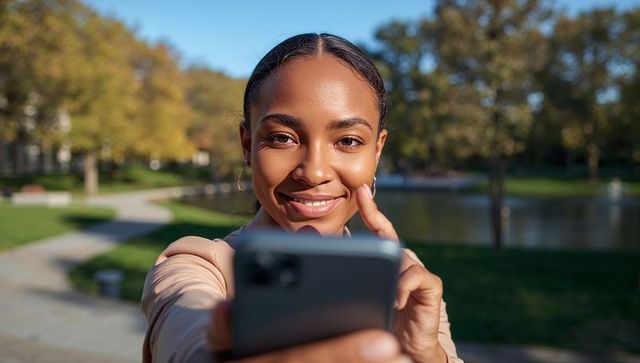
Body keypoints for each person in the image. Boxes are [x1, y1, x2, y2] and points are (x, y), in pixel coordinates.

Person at [141, 33, 462, 363]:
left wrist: (426, 355)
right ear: (247, 145)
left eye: (349, 141)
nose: (313, 171)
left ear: (377, 150)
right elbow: (189, 339)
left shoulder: (405, 278)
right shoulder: (195, 266)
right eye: (283, 137)